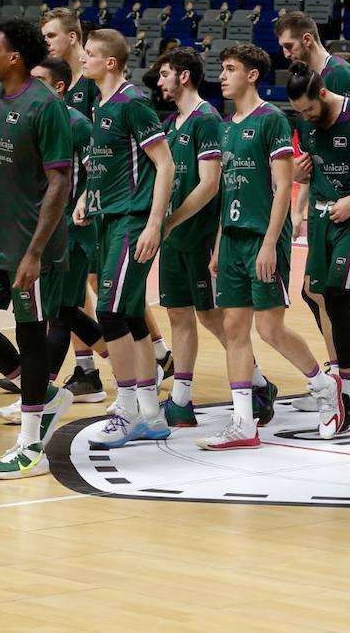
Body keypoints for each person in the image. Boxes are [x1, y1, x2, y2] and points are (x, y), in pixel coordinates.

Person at [197, 43, 342, 450]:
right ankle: (243, 421)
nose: (222, 76)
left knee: (270, 328)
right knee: (233, 327)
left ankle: (323, 386)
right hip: (232, 240)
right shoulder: (225, 126)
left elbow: (283, 188)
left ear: (252, 75)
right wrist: (219, 245)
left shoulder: (272, 120)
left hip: (264, 240)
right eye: (222, 69)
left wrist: (268, 244)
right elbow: (228, 191)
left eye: (230, 69)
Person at [0, 19, 75, 479]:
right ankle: (44, 390)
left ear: (15, 58)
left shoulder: (46, 107)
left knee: (30, 332)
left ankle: (30, 445)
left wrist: (36, 252)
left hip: (30, 244)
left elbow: (60, 182)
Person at [0, 57, 110, 430]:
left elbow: (100, 173)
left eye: (39, 79)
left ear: (59, 87)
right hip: (49, 229)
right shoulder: (38, 118)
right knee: (63, 311)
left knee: (59, 313)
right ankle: (134, 364)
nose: (30, 85)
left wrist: (87, 203)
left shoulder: (78, 125)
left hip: (74, 230)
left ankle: (41, 394)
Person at [75, 29, 176, 449]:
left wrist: (154, 223)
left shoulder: (133, 103)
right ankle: (151, 414)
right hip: (106, 218)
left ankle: (127, 407)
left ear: (110, 62)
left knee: (111, 314)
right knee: (131, 314)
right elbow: (108, 168)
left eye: (89, 56)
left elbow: (165, 165)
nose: (83, 61)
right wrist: (85, 196)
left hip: (132, 222)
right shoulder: (100, 105)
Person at [289, 62, 350, 431]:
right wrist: (299, 202)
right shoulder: (303, 121)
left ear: (324, 94)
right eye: (300, 112)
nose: (306, 118)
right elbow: (308, 171)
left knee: (338, 296)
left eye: (310, 109)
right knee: (314, 293)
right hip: (320, 218)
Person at [153, 46, 227, 428]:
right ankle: (181, 399)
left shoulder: (206, 120)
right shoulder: (170, 124)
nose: (160, 81)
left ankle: (259, 384)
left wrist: (172, 220)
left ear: (183, 75)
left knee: (213, 317)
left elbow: (210, 184)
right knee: (178, 314)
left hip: (198, 237)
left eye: (165, 73)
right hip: (174, 239)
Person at [38, 7, 109, 400]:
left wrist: (88, 196)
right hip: (67, 208)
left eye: (50, 35)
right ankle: (89, 369)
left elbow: (101, 154)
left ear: (72, 36)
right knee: (76, 294)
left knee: (94, 289)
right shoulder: (59, 85)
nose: (45, 41)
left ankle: (152, 353)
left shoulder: (93, 84)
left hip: (90, 205)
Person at [275, 12, 350, 104]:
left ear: (307, 40)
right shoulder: (304, 77)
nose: (286, 55)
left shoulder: (340, 73)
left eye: (289, 46)